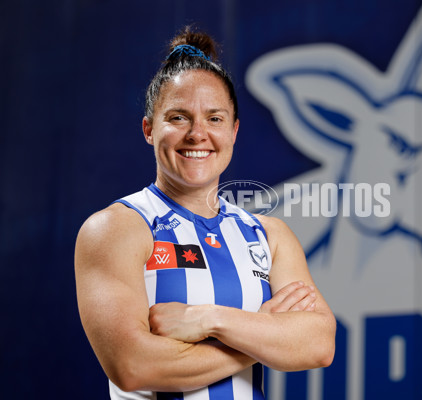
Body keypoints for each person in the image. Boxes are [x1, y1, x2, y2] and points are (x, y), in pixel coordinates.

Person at [75, 26, 336, 400]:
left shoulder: (269, 236)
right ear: (149, 129)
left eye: (214, 119)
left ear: (234, 131)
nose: (198, 134)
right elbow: (134, 368)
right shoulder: (116, 229)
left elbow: (318, 343)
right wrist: (264, 331)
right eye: (178, 117)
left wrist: (208, 319)